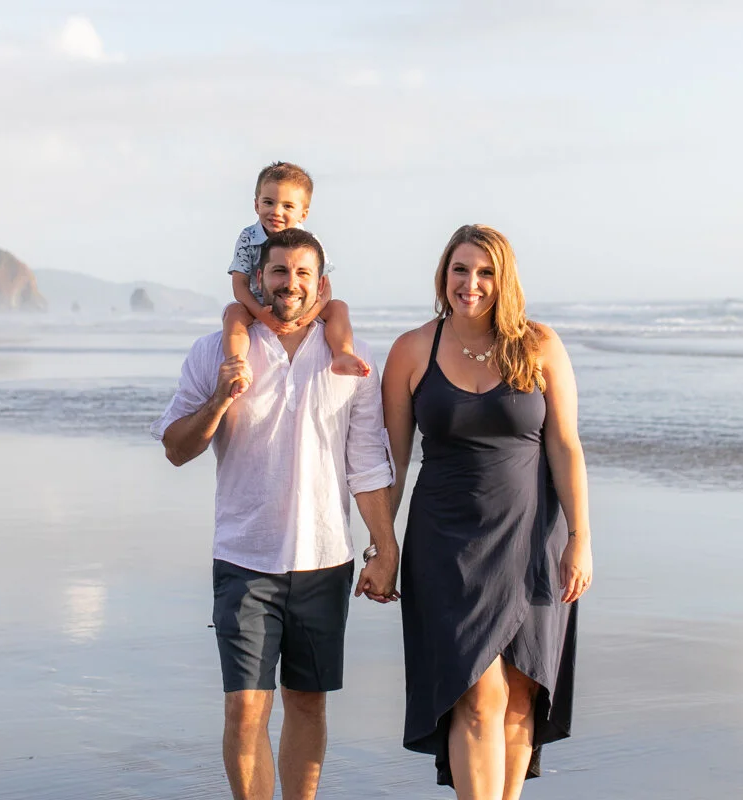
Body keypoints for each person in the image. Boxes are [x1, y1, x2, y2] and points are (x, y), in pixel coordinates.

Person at [151, 227, 399, 800]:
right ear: (258, 278)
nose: (291, 284)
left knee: (307, 705)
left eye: (303, 274)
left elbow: (366, 466)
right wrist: (219, 400)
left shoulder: (353, 362)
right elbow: (175, 448)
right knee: (245, 711)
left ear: (321, 283)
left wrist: (384, 549)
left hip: (325, 559)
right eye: (280, 272)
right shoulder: (215, 352)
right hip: (244, 560)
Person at [381, 224, 593, 799]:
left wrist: (581, 538)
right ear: (443, 274)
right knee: (476, 693)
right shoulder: (410, 350)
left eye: (484, 272)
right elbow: (392, 465)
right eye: (459, 269)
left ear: (504, 280)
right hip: (445, 543)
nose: (470, 283)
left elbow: (566, 445)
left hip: (531, 538)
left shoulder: (539, 344)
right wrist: (383, 546)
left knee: (521, 693)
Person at [221, 161, 369, 397]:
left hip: (301, 305)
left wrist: (308, 317)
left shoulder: (309, 240)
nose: (276, 212)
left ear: (303, 213)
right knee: (233, 313)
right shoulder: (248, 237)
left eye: (288, 206)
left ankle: (341, 354)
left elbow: (325, 289)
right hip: (258, 303)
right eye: (268, 202)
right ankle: (236, 366)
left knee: (338, 307)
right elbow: (239, 285)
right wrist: (260, 314)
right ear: (256, 204)